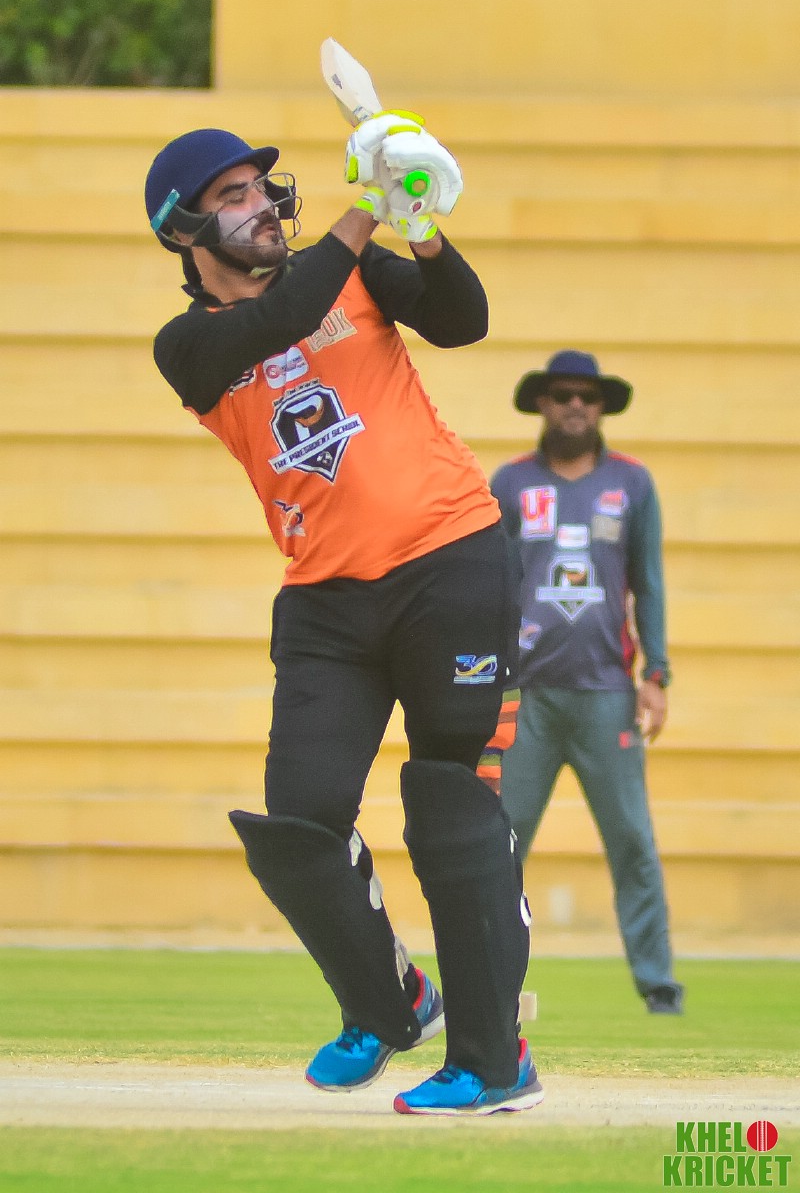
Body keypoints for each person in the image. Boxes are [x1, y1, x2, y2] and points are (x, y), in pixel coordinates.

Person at [143, 116, 544, 1114]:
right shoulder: (188, 344)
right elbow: (279, 320)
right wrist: (367, 207)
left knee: (449, 800)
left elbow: (462, 321)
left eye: (260, 188)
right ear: (183, 230)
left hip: (449, 560)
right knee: (298, 821)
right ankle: (389, 1001)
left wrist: (422, 227)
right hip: (324, 599)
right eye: (231, 196)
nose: (259, 206)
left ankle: (494, 1065)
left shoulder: (352, 271)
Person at [490, 350, 684, 1014]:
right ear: (542, 403)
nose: (576, 405)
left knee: (632, 841)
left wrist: (656, 674)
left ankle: (658, 983)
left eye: (588, 396)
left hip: (607, 694)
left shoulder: (632, 483)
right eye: (563, 394)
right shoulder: (510, 483)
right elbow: (491, 586)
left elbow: (649, 584)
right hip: (526, 696)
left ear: (602, 407)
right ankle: (489, 978)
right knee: (500, 843)